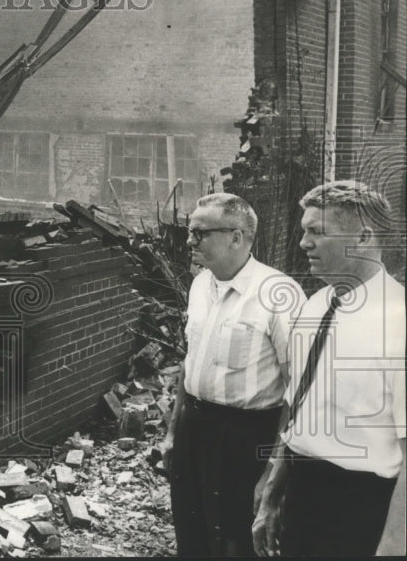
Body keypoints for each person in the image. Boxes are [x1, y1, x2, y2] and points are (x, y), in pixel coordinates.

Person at [252, 180, 406, 557]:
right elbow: (300, 405)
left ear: (364, 236)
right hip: (302, 493)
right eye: (304, 231)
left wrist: (392, 547)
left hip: (364, 507)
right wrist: (273, 490)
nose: (304, 243)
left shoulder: (400, 320)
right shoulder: (317, 303)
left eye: (317, 232)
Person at [163, 192, 305, 556]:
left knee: (236, 544)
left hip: (246, 438)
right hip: (194, 429)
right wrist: (173, 433)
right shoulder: (200, 285)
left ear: (237, 237)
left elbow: (299, 390)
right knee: (192, 536)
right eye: (189, 232)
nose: (190, 241)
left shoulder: (279, 294)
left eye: (199, 233)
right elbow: (189, 362)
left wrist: (274, 473)